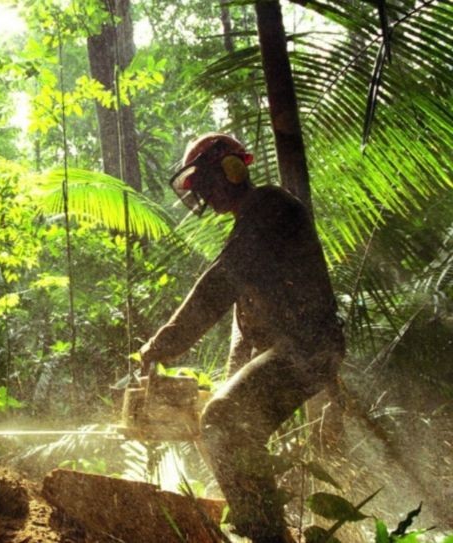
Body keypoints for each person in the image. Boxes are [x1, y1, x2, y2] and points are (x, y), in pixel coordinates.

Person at [139, 133, 345, 542]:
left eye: (204, 183)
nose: (202, 194)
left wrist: (162, 344)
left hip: (309, 345)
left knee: (224, 418)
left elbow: (220, 283)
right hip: (293, 348)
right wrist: (226, 379)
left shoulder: (269, 207)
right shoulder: (249, 223)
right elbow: (244, 321)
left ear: (232, 170)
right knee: (224, 416)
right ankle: (265, 527)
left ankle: (267, 536)